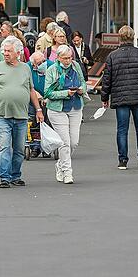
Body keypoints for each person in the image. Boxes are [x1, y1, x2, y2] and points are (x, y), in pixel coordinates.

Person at [0, 37, 44, 189]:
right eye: (4, 50)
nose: (5, 53)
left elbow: (31, 90)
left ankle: (15, 175)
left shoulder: (25, 68)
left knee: (18, 149)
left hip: (21, 115)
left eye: (9, 51)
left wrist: (38, 110)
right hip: (2, 115)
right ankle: (4, 177)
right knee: (4, 146)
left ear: (18, 52)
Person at [101, 26, 138, 170]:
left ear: (120, 37)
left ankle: (122, 160)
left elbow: (107, 79)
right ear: (133, 37)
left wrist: (104, 97)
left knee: (122, 129)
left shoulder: (112, 56)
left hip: (121, 97)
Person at [44, 45, 86, 185]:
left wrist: (81, 90)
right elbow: (48, 93)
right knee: (65, 143)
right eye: (65, 58)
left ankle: (60, 164)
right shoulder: (52, 70)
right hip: (57, 109)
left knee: (74, 142)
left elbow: (83, 82)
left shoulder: (75, 66)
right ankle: (67, 172)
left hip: (75, 107)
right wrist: (65, 93)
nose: (68, 60)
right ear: (58, 58)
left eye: (70, 58)